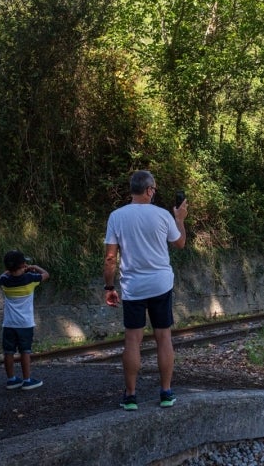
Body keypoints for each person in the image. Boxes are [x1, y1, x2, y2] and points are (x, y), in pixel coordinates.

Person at [103, 170, 187, 411]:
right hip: (161, 283)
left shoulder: (116, 216)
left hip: (133, 287)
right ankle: (166, 392)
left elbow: (110, 258)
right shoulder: (162, 215)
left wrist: (109, 286)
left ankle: (130, 395)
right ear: (149, 190)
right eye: (154, 189)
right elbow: (180, 243)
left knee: (132, 340)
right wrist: (180, 219)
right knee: (163, 337)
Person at [0, 250, 49, 390]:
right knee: (25, 351)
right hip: (25, 324)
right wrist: (34, 267)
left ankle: (11, 379)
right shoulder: (30, 279)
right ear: (23, 265)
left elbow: (2, 275)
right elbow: (46, 275)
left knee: (8, 351)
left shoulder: (4, 282)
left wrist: (10, 270)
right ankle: (27, 380)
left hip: (9, 323)